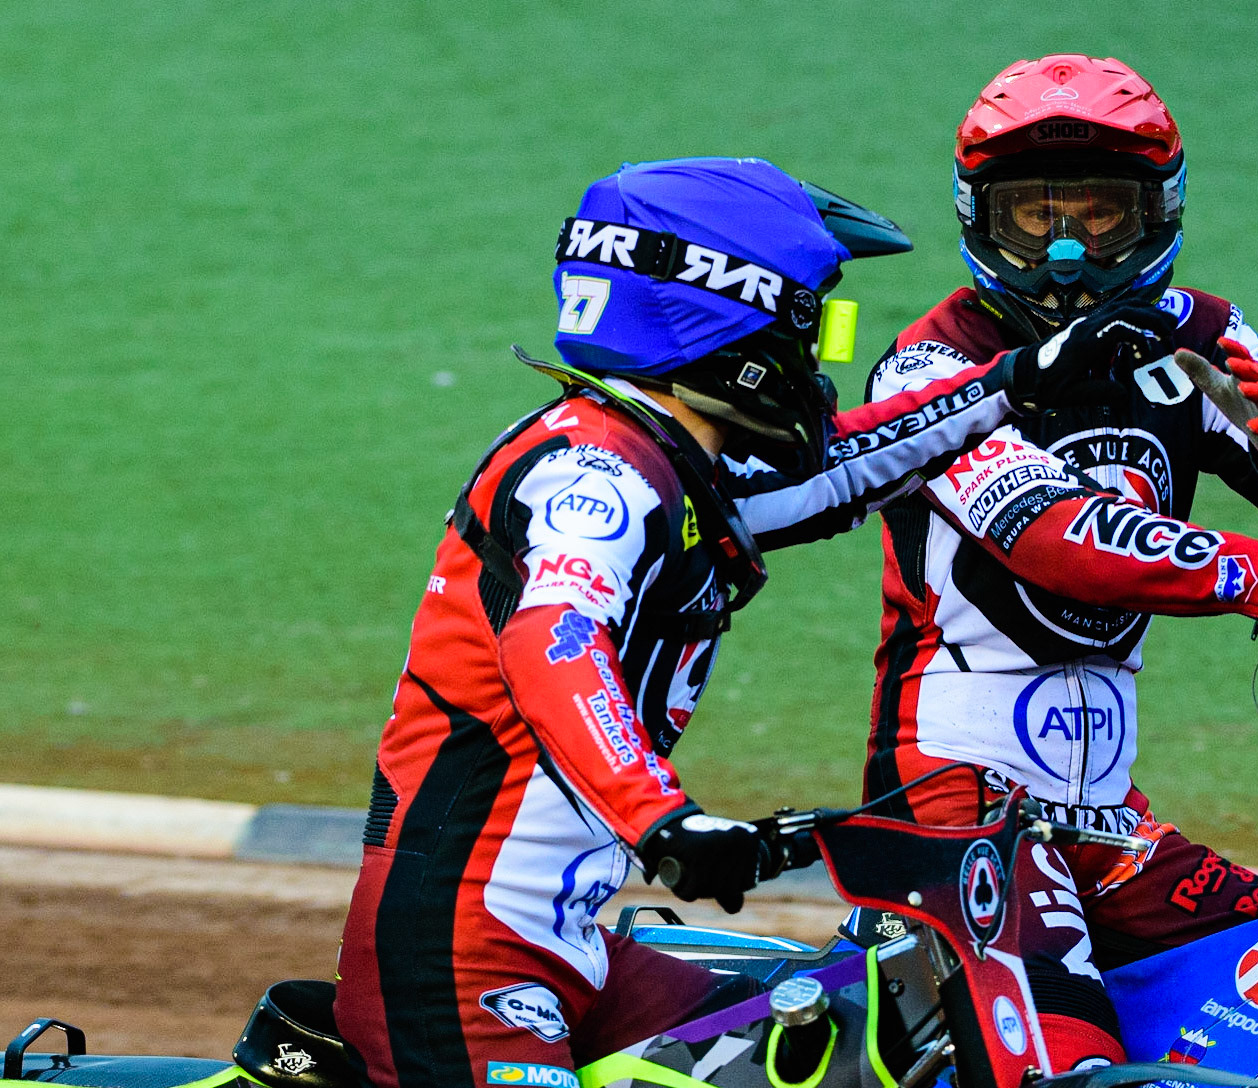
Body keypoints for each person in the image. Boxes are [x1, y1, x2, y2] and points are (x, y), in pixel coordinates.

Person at [331, 155, 1180, 1088]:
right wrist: (669, 825)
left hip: (562, 943)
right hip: (459, 957)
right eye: (817, 326)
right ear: (741, 318)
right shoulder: (594, 479)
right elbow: (555, 644)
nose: (821, 364)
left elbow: (851, 470)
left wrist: (1023, 378)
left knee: (824, 1063)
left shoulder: (667, 464)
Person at [862, 56, 1258, 1070]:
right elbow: (1057, 539)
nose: (1066, 251)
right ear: (981, 218)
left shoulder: (1200, 336)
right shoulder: (930, 368)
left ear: (1156, 212)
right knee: (1065, 1062)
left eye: (1099, 215)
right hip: (956, 811)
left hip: (1103, 815)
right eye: (1033, 217)